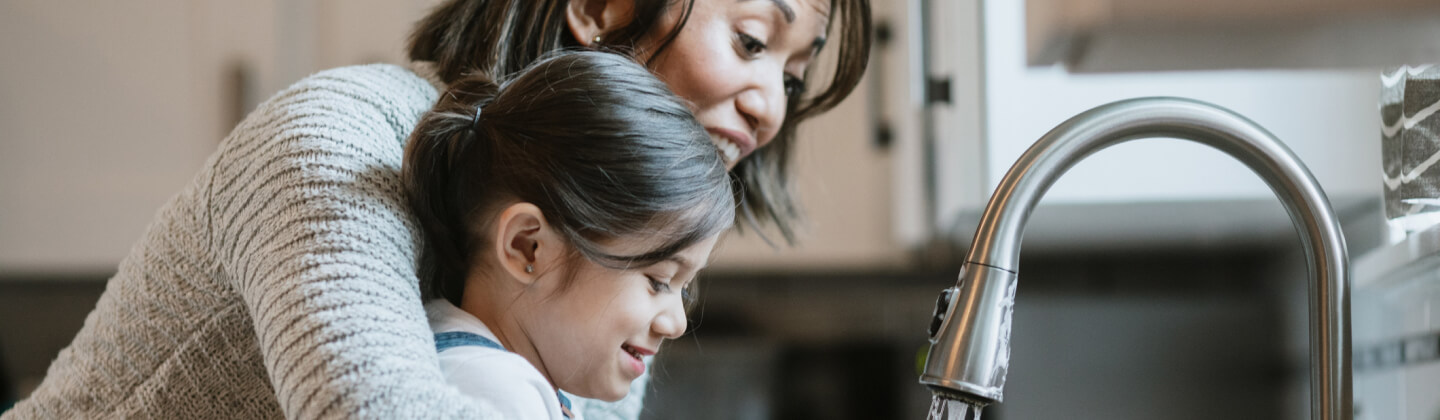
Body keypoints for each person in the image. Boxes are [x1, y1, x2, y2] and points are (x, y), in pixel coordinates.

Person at [5, 0, 869, 418]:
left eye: (791, 76)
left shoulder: (596, 294)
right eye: (753, 42)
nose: (771, 108)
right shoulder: (337, 141)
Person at [407, 50, 732, 420]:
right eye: (658, 281)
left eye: (684, 288)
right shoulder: (496, 393)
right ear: (528, 247)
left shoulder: (505, 375)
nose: (676, 324)